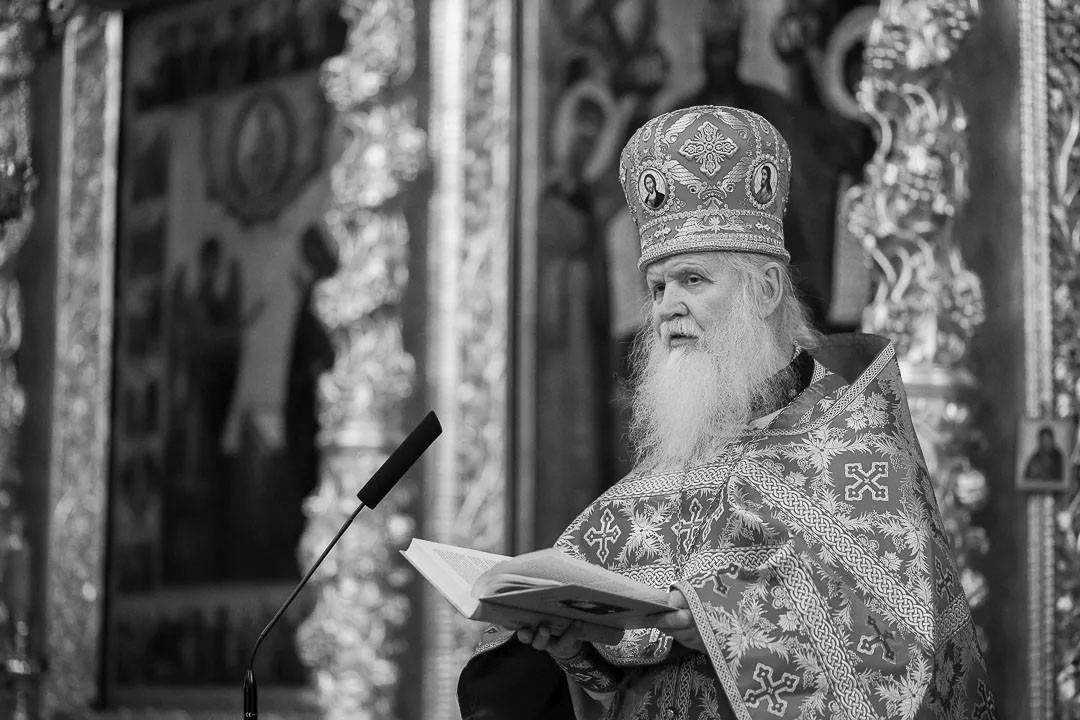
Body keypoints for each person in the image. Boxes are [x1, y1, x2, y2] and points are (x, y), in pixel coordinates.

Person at [458, 106, 995, 719]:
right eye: (658, 288)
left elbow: (905, 646)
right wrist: (575, 645)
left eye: (692, 279)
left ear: (765, 290)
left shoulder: (856, 450)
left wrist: (719, 620)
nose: (667, 307)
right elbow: (625, 666)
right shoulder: (674, 464)